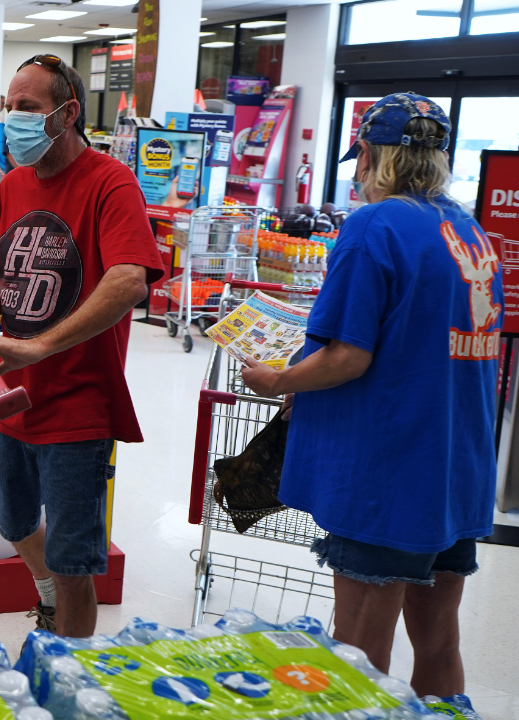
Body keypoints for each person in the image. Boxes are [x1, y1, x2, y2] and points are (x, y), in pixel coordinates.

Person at [240, 93, 499, 699]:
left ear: (376, 158)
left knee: (359, 651)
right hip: (454, 469)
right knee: (440, 641)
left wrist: (278, 378)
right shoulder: (471, 233)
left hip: (387, 472)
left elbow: (348, 356)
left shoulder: (374, 227)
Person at [0, 55, 164, 638]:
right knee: (11, 523)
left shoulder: (110, 181)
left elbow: (129, 280)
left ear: (67, 114)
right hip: (13, 395)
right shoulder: (14, 183)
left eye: (27, 109)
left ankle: (67, 679)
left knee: (72, 565)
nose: (13, 120)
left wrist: (39, 346)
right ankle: (46, 595)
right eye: (9, 108)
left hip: (76, 404)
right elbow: (2, 268)